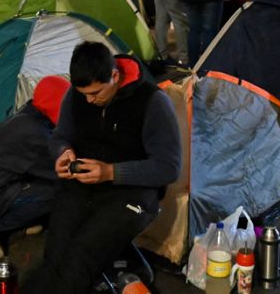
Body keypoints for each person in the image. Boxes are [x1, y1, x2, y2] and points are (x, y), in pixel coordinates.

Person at [23, 42, 181, 293]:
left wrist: (110, 172)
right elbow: (60, 135)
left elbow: (168, 168)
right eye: (84, 94)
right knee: (55, 253)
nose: (89, 100)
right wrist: (63, 153)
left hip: (132, 194)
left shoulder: (152, 102)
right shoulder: (77, 95)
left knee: (80, 257)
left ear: (115, 76)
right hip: (83, 186)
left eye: (96, 93)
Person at [0, 76, 71, 259]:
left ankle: (19, 224)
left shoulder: (32, 114)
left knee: (51, 184)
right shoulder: (34, 132)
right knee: (60, 188)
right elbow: (63, 171)